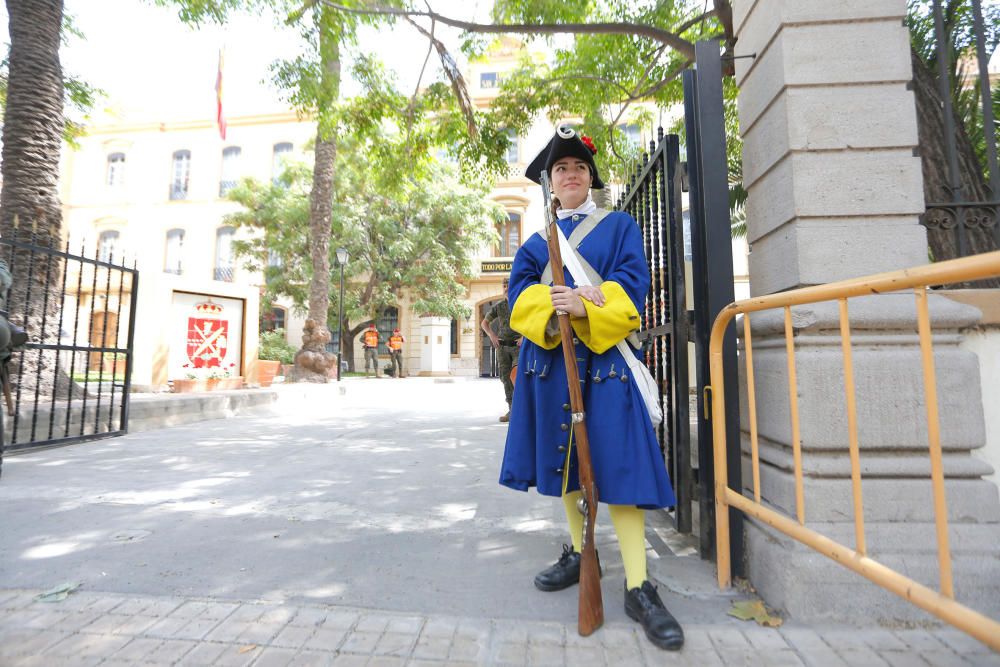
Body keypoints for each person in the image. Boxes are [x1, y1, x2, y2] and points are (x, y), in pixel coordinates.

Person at [498, 126, 684, 651]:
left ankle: (637, 584)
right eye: (561, 169)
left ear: (590, 177)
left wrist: (586, 304)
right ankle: (583, 555)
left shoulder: (620, 226)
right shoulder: (538, 243)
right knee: (567, 468)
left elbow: (633, 282)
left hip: (606, 365)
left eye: (578, 167)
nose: (571, 174)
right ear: (551, 183)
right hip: (554, 365)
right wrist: (552, 308)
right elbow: (517, 298)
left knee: (621, 471)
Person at [481, 279, 519, 423]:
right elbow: (484, 323)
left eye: (508, 286)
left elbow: (531, 322)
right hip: (502, 347)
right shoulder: (499, 306)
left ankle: (522, 409)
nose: (506, 288)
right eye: (504, 286)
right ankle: (512, 410)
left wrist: (524, 337)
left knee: (516, 376)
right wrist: (492, 335)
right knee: (505, 378)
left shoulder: (520, 304)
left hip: (518, 347)